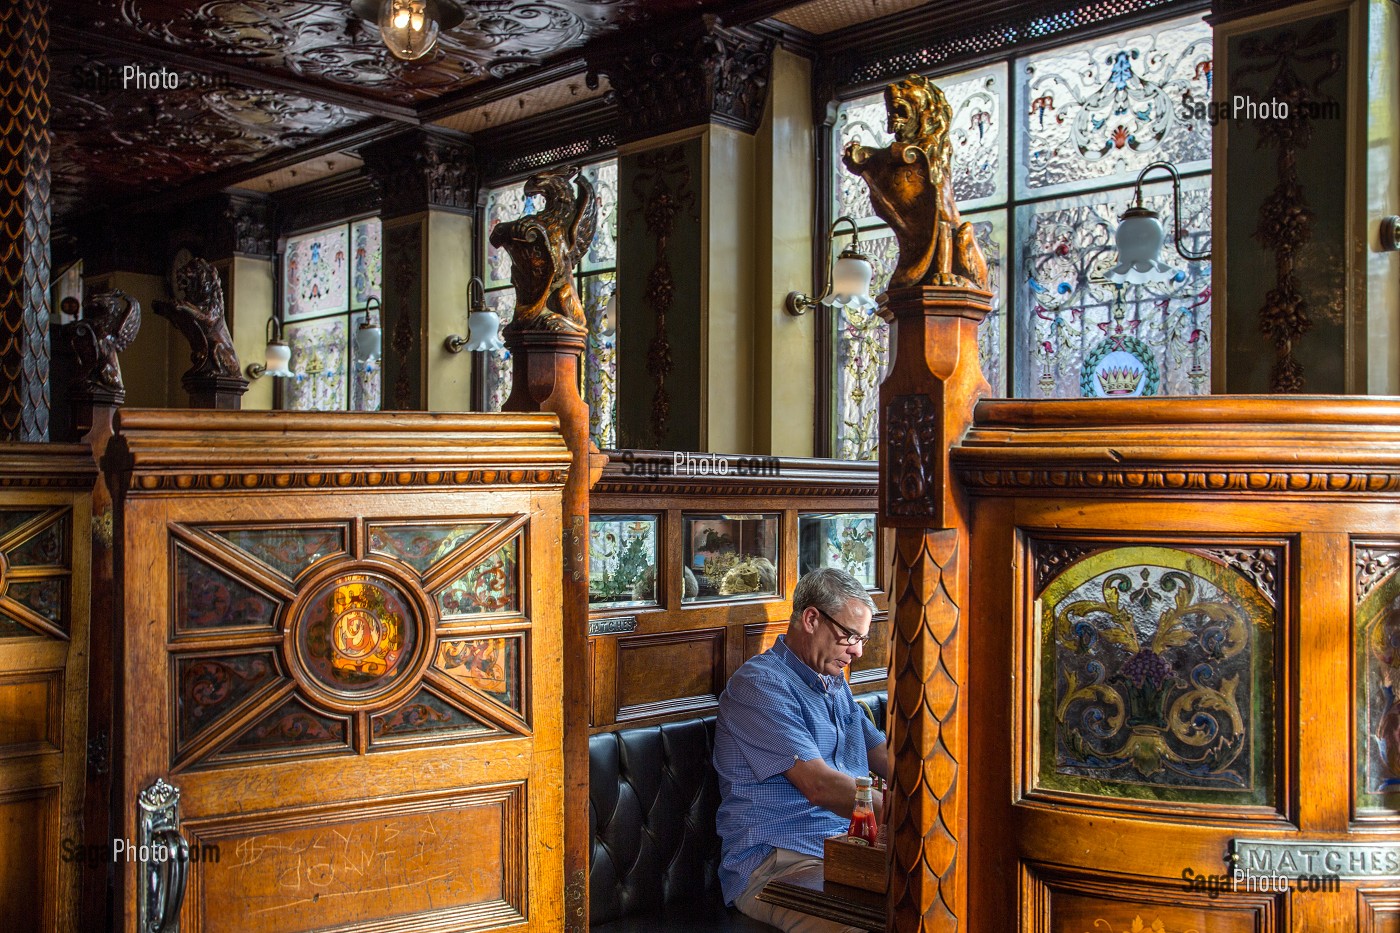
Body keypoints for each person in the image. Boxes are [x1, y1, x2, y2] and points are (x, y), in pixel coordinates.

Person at [714, 567, 890, 932]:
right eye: (849, 636)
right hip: (777, 865)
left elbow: (884, 755)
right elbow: (819, 786)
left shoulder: (833, 682)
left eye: (862, 639)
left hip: (848, 851)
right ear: (812, 618)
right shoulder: (760, 684)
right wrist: (913, 816)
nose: (856, 651)